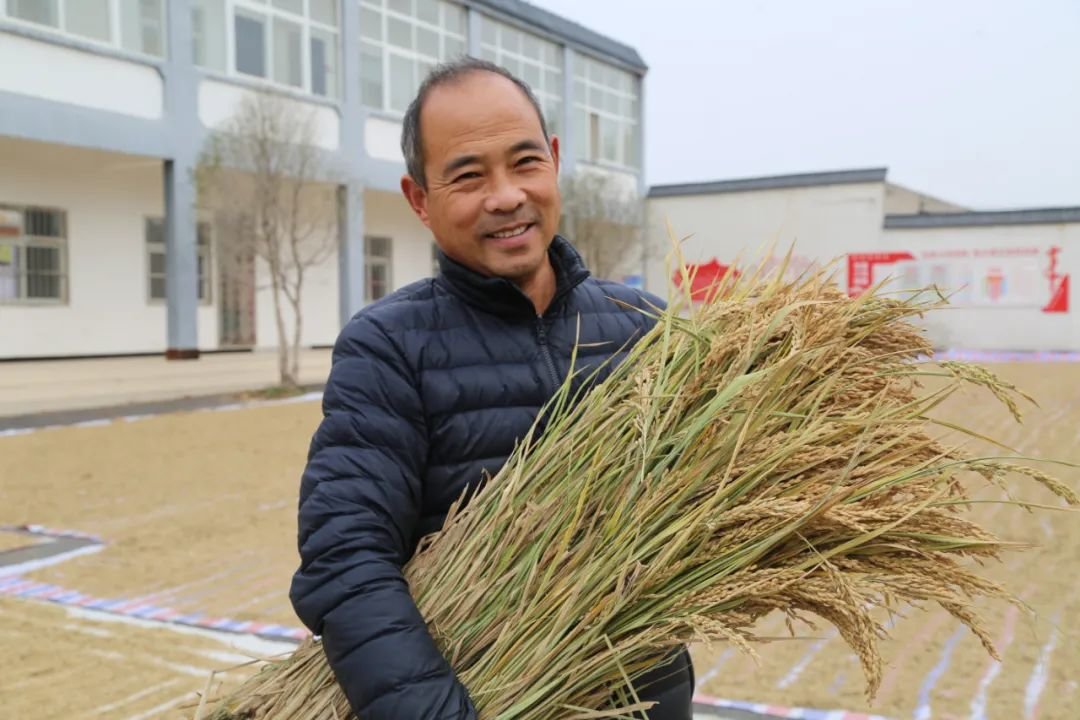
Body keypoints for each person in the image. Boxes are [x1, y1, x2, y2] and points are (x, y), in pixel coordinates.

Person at [289, 57, 694, 719]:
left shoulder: (644, 326)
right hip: (489, 699)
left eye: (524, 162)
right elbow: (345, 558)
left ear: (554, 162)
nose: (506, 196)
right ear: (420, 199)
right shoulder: (388, 347)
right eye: (469, 175)